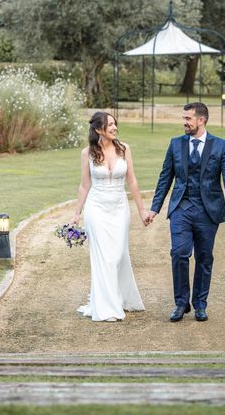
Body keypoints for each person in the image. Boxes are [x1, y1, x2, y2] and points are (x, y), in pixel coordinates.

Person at [147, 102, 225, 322]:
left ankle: (200, 304)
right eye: (184, 118)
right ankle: (181, 303)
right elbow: (165, 178)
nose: (184, 123)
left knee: (204, 257)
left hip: (208, 211)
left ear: (201, 120)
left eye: (188, 118)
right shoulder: (175, 144)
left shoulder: (221, 146)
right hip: (182, 207)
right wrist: (155, 207)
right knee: (179, 253)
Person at [72, 111, 148, 322]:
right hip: (96, 209)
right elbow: (85, 184)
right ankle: (107, 307)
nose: (115, 128)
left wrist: (141, 211)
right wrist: (76, 213)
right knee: (103, 257)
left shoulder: (124, 149)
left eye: (115, 124)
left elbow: (132, 181)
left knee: (117, 256)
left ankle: (118, 297)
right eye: (110, 125)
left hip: (119, 208)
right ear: (98, 129)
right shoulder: (87, 153)